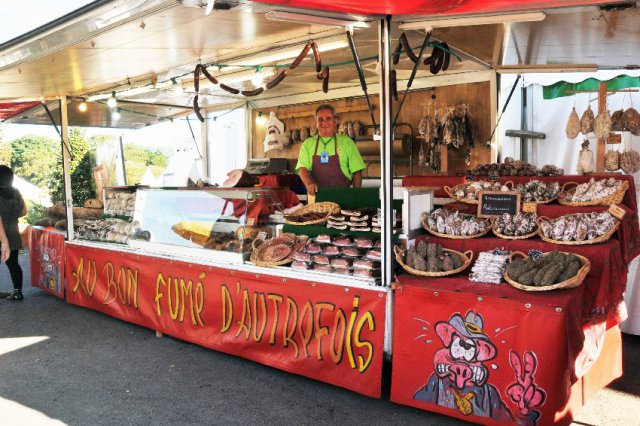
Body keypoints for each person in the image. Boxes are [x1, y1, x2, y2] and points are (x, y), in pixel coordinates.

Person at [295, 104, 366, 196]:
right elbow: (302, 168)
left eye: (328, 118)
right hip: (316, 198)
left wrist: (356, 195)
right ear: (316, 123)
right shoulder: (308, 144)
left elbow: (357, 171)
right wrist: (309, 184)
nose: (324, 122)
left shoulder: (347, 142)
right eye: (320, 119)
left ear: (334, 121)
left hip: (343, 197)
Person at [0, 166, 27, 301]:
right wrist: (11, 217)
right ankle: (17, 292)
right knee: (13, 264)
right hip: (13, 231)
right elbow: (24, 212)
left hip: (1, 233)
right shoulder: (16, 192)